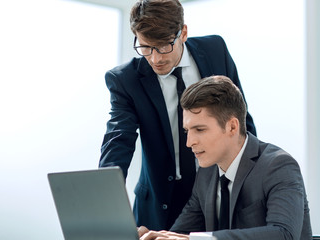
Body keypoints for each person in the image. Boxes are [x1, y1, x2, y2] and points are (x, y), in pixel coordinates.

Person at [99, 0, 256, 231]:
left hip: (217, 191)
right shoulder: (125, 80)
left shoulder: (215, 50)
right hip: (159, 203)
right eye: (145, 48)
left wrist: (253, 182)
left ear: (183, 32)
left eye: (163, 47)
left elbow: (241, 121)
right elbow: (118, 139)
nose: (155, 59)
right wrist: (106, 197)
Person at [138, 75, 312, 240]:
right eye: (186, 131)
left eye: (199, 130)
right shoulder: (206, 173)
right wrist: (155, 236)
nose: (189, 143)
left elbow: (283, 235)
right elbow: (181, 235)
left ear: (232, 127)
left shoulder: (278, 166)